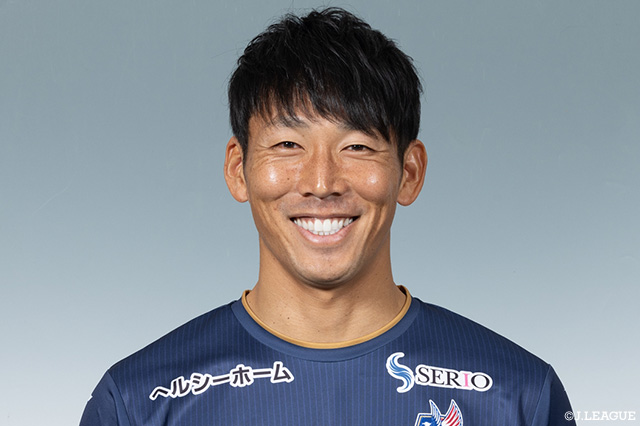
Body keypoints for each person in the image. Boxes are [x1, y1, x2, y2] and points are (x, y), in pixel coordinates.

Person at [80, 7, 575, 426]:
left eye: (357, 146)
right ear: (238, 169)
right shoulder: (138, 402)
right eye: (287, 144)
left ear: (409, 173)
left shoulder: (518, 395)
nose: (322, 182)